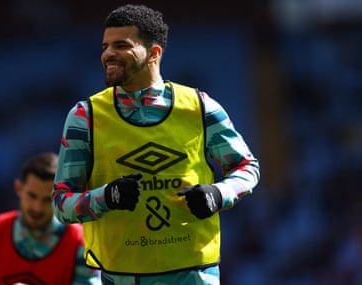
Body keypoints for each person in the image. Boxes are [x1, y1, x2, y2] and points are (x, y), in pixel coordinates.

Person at [51, 4, 260, 285]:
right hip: (124, 278)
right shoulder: (84, 118)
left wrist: (217, 193)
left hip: (195, 276)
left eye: (121, 45)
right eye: (105, 46)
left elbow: (247, 167)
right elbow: (61, 203)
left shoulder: (200, 108)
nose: (108, 54)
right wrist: (107, 197)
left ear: (154, 53)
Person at [0, 152, 101, 285]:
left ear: (59, 199)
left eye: (47, 200)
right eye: (32, 196)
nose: (37, 207)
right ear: (18, 188)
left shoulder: (80, 244)